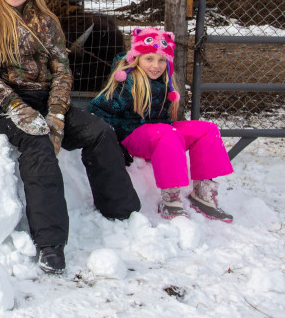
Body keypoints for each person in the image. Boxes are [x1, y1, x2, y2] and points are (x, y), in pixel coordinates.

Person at [0, 0, 140, 274]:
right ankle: (50, 245)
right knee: (38, 144)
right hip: (2, 101)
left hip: (45, 97)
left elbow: (62, 72)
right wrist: (18, 108)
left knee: (100, 131)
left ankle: (122, 212)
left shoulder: (47, 22)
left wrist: (58, 113)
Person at [87, 27, 234, 222]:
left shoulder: (165, 81)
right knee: (167, 133)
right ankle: (171, 199)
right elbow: (97, 108)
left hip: (161, 133)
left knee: (206, 130)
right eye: (149, 59)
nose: (156, 65)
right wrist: (113, 139)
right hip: (133, 135)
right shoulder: (128, 82)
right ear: (136, 58)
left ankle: (202, 191)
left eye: (162, 60)